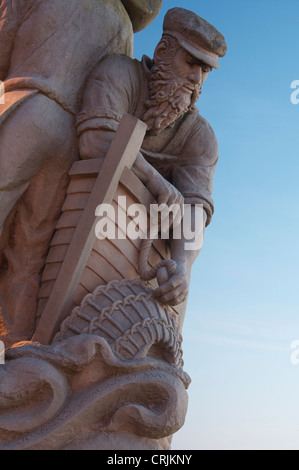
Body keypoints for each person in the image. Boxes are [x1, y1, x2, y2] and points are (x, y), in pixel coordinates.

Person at [0, 0, 162, 345]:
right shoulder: (123, 27)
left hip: (28, 104)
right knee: (29, 251)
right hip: (71, 141)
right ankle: (15, 352)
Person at [76, 7, 227, 311]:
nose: (196, 78)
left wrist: (183, 266)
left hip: (142, 257)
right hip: (81, 220)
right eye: (191, 63)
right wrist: (153, 179)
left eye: (205, 70)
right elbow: (94, 141)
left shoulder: (200, 136)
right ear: (162, 51)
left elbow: (195, 210)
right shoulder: (119, 75)